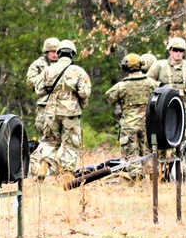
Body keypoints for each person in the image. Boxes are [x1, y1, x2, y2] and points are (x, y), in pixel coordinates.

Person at [31, 40, 91, 176]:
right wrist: (81, 104)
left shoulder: (48, 70)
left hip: (51, 111)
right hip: (70, 111)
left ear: (58, 53)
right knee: (70, 143)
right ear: (72, 54)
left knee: (50, 141)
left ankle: (44, 164)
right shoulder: (78, 71)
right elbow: (84, 92)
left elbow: (39, 90)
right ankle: (68, 175)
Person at [105, 53, 158, 179]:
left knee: (132, 156)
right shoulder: (151, 83)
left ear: (125, 68)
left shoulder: (121, 86)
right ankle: (152, 178)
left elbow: (109, 98)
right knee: (148, 153)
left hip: (129, 126)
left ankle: (137, 180)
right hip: (147, 125)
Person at [147, 37, 186, 109]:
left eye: (181, 50)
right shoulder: (159, 65)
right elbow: (148, 79)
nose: (178, 53)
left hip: (182, 107)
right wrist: (158, 85)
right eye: (176, 50)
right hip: (162, 105)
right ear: (170, 50)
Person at [26, 38, 61, 132]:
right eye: (52, 52)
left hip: (61, 104)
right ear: (46, 52)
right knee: (43, 129)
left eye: (57, 52)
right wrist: (45, 77)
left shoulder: (63, 64)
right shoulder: (38, 64)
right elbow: (30, 82)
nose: (55, 55)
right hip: (44, 103)